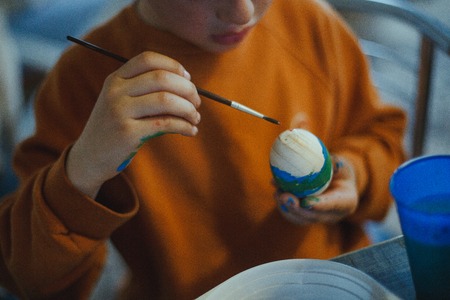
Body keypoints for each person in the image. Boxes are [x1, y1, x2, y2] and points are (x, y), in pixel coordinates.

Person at [0, 0, 406, 299]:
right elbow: (30, 278)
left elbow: (382, 138)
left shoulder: (309, 22)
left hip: (334, 282)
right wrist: (84, 167)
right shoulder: (84, 84)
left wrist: (355, 172)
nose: (242, 13)